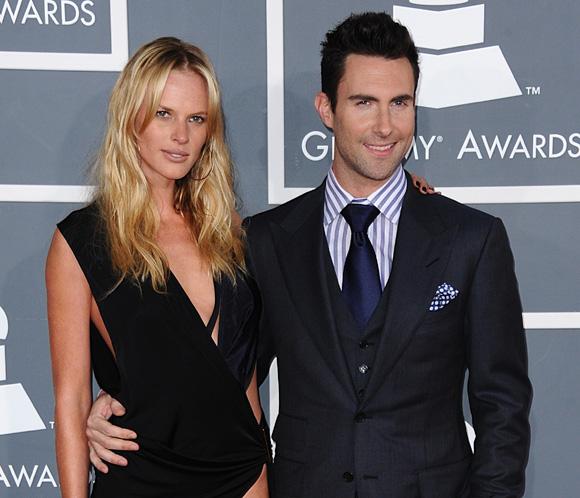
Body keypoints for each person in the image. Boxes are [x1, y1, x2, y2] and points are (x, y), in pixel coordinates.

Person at [85, 12, 532, 498]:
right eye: (364, 103)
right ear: (326, 109)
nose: (385, 126)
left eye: (400, 103)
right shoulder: (264, 241)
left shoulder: (471, 239)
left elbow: (502, 406)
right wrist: (120, 403)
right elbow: (218, 374)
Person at [46, 37, 270, 498]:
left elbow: (242, 375)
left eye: (196, 119)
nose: (181, 136)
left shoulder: (226, 230)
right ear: (132, 117)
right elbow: (71, 400)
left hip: (241, 474)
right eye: (164, 114)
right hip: (141, 475)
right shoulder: (83, 243)